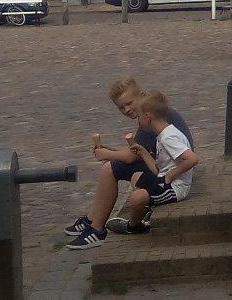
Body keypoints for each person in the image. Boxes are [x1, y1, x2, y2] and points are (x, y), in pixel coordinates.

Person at [64, 78, 193, 250]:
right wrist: (113, 151)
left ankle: (97, 229)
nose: (127, 110)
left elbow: (132, 157)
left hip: (172, 172)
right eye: (121, 107)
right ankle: (92, 219)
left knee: (110, 168)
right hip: (164, 164)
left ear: (140, 96)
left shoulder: (150, 118)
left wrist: (108, 154)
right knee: (114, 166)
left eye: (129, 103)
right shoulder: (150, 109)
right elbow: (137, 149)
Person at [109, 91, 198, 236]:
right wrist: (143, 152)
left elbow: (192, 159)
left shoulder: (169, 137)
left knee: (136, 198)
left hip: (175, 188)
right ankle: (147, 209)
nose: (139, 121)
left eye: (140, 117)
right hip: (163, 179)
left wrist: (171, 175)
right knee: (136, 177)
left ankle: (133, 226)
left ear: (148, 117)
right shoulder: (162, 135)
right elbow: (158, 169)